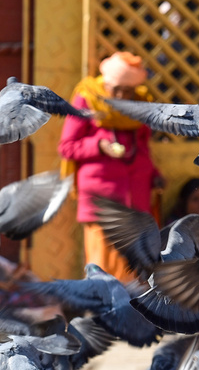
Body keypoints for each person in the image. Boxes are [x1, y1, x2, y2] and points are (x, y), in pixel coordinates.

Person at [58, 51, 162, 282]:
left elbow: (144, 148)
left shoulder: (140, 104)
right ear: (106, 84)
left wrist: (154, 175)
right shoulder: (88, 99)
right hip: (102, 206)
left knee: (135, 271)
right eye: (116, 90)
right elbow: (67, 147)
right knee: (102, 271)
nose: (121, 96)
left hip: (136, 203)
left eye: (127, 91)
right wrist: (99, 145)